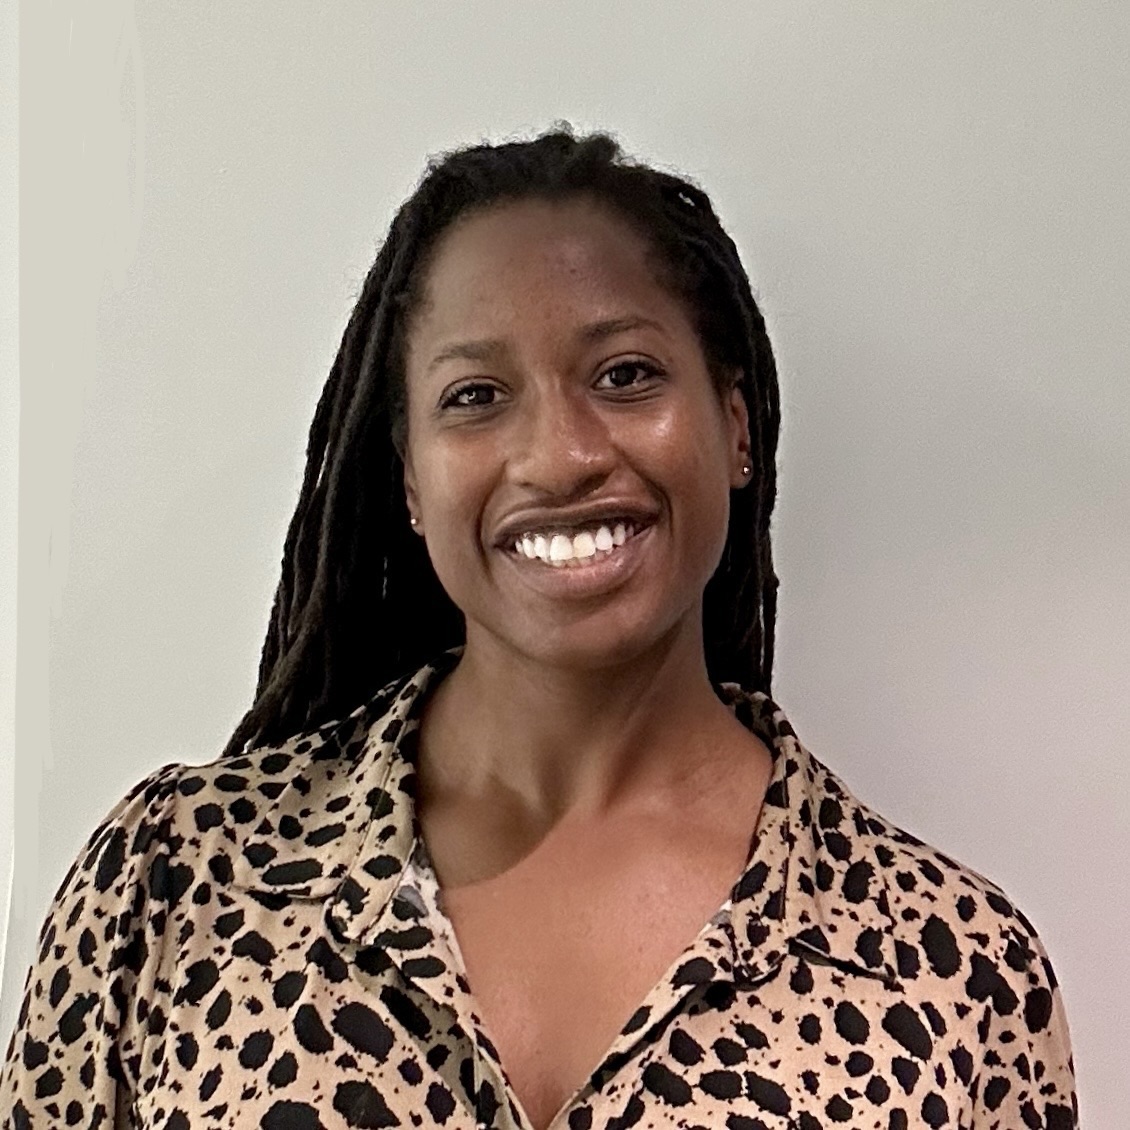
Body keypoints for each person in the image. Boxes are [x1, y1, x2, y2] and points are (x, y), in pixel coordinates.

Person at [1, 124, 1077, 1130]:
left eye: (624, 375)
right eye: (474, 395)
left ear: (734, 427)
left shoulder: (954, 978)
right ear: (410, 479)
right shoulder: (175, 881)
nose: (559, 454)